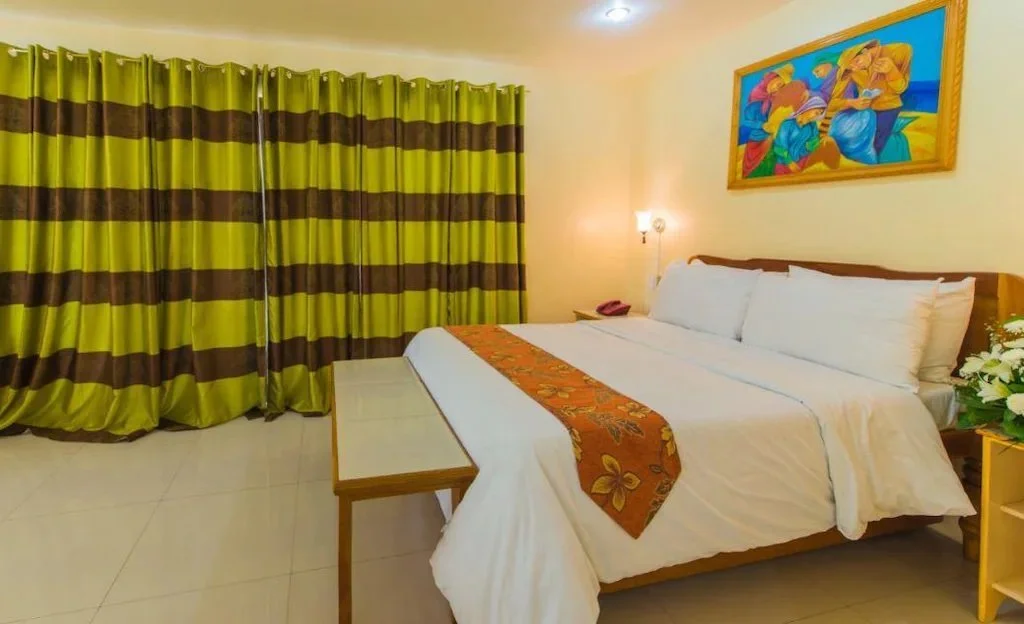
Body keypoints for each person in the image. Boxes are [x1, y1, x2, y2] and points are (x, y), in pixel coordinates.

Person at [821, 40, 913, 157]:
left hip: (889, 107)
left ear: (865, 51)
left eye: (857, 61)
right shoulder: (849, 70)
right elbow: (833, 102)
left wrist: (891, 71)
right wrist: (852, 102)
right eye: (851, 66)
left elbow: (901, 88)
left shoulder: (899, 50)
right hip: (864, 110)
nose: (855, 67)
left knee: (876, 146)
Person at [738, 64, 794, 178]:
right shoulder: (756, 96)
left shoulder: (776, 99)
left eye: (781, 87)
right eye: (777, 84)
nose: (776, 89)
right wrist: (762, 125)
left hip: (771, 139)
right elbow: (748, 122)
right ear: (771, 78)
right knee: (753, 172)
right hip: (756, 139)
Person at [773, 96, 828, 174]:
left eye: (819, 114)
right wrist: (790, 163)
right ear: (809, 107)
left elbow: (812, 145)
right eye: (816, 112)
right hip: (784, 165)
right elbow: (779, 147)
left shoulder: (812, 126)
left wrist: (815, 143)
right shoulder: (787, 124)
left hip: (802, 163)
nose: (816, 116)